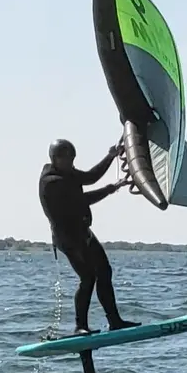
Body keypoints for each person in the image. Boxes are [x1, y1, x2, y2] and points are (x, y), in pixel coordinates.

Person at [39, 139, 140, 334]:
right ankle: (80, 327)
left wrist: (110, 156)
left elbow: (90, 177)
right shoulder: (52, 182)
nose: (70, 163)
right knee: (88, 278)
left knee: (105, 271)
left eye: (72, 159)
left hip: (84, 233)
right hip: (68, 239)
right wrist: (112, 188)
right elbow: (82, 200)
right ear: (54, 159)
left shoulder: (67, 172)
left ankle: (115, 321)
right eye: (65, 159)